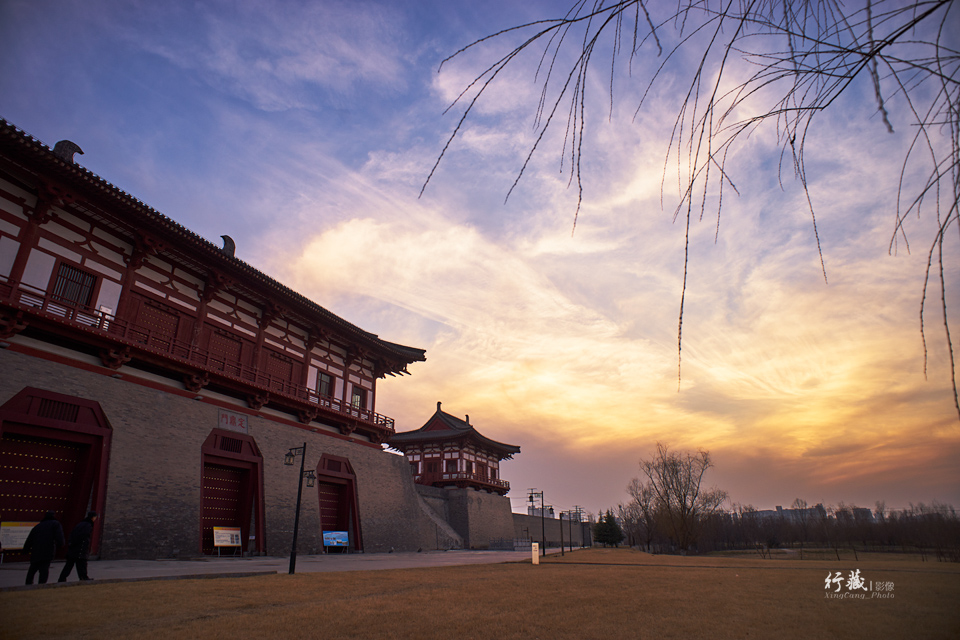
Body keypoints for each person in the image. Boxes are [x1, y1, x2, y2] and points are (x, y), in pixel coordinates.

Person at [23, 510, 65, 585]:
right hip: (47, 550)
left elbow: (30, 539)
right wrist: (61, 544)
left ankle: (28, 583)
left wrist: (26, 549)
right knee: (44, 569)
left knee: (32, 568)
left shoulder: (38, 526)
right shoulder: (55, 524)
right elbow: (59, 536)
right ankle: (42, 584)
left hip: (36, 550)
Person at [58, 511, 98, 582]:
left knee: (69, 565)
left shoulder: (80, 524)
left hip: (73, 548)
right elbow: (84, 536)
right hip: (80, 548)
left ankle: (62, 578)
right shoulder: (88, 525)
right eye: (95, 517)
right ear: (93, 517)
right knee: (82, 564)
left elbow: (73, 534)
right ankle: (83, 577)